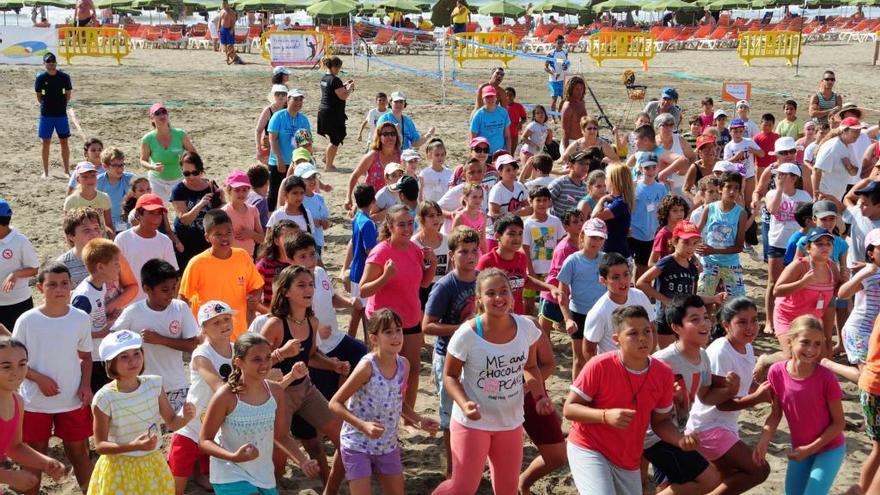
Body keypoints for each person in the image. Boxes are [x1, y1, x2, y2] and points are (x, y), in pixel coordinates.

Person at [432, 268, 551, 494]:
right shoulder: (467, 334)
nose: (498, 298)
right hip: (472, 424)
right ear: (479, 299)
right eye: (491, 293)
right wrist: (465, 403)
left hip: (510, 422)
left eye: (504, 291)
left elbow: (531, 366)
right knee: (462, 488)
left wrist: (539, 396)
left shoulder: (526, 328)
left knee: (507, 490)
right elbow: (450, 375)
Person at [563, 305, 698, 495]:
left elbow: (660, 421)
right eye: (633, 333)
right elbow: (569, 409)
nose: (643, 338)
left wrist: (680, 439)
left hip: (627, 457)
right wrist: (605, 416)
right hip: (589, 447)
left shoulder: (664, 373)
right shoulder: (600, 365)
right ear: (617, 339)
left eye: (647, 331)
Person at [329, 309, 439, 495]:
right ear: (374, 338)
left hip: (387, 444)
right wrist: (362, 425)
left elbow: (398, 402)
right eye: (388, 332)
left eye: (398, 330)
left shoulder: (404, 364)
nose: (396, 336)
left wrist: (419, 420)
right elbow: (335, 403)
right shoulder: (367, 366)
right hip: (357, 444)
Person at [259, 265, 348, 490]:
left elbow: (310, 356)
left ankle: (331, 487)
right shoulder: (275, 324)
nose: (308, 289)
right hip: (279, 392)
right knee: (279, 455)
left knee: (342, 434)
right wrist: (281, 353)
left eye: (310, 284)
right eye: (301, 285)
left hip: (305, 388)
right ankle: (275, 485)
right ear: (286, 291)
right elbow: (253, 363)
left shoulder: (312, 322)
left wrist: (332, 365)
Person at [199, 333, 321, 494]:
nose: (264, 364)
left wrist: (303, 461)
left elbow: (281, 435)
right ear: (238, 362)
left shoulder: (276, 391)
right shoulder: (226, 395)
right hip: (229, 474)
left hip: (264, 476)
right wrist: (233, 456)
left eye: (268, 357)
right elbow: (204, 440)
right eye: (256, 359)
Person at [13, 262, 93, 495]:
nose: (59, 289)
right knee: (36, 454)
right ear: (40, 288)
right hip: (34, 402)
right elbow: (14, 363)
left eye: (64, 284)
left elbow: (86, 357)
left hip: (72, 399)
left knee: (78, 452)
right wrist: (38, 378)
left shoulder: (80, 319)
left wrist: (86, 385)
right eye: (52, 285)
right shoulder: (27, 321)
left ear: (72, 286)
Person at [87, 330, 196, 495]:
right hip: (119, 469)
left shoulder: (154, 384)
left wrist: (185, 417)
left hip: (152, 464)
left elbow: (172, 422)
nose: (133, 361)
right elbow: (100, 446)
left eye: (137, 354)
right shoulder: (104, 397)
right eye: (124, 357)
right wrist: (133, 446)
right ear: (111, 363)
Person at [684, 297, 772, 494]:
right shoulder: (720, 351)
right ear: (726, 325)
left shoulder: (747, 347)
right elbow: (720, 403)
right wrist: (758, 397)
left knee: (726, 478)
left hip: (725, 426)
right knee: (759, 469)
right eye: (742, 322)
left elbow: (745, 388)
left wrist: (768, 388)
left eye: (754, 320)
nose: (750, 327)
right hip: (708, 427)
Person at [643, 296, 729, 494]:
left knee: (668, 485)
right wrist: (669, 397)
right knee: (711, 479)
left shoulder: (703, 356)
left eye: (706, 317)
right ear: (676, 327)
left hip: (677, 431)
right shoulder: (661, 361)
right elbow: (640, 401)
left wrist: (730, 390)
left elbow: (705, 396)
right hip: (654, 436)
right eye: (694, 319)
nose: (704, 323)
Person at [358, 205, 437, 416]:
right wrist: (385, 276)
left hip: (410, 318)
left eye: (410, 223)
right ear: (390, 226)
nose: (407, 228)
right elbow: (363, 290)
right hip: (384, 322)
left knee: (411, 370)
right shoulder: (381, 252)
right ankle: (378, 415)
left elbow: (422, 284)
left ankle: (407, 417)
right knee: (382, 373)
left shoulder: (414, 249)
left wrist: (432, 266)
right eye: (401, 224)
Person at [755, 316, 846, 495]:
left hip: (829, 448)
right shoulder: (776, 372)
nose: (812, 349)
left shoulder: (826, 378)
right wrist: (764, 438)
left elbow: (839, 423)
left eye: (818, 344)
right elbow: (775, 413)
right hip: (800, 449)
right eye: (805, 342)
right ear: (790, 341)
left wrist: (809, 449)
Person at [422, 226, 480, 478]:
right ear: (453, 254)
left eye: (474, 251)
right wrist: (463, 328)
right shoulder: (446, 286)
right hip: (448, 357)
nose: (470, 256)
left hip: (477, 358)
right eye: (464, 251)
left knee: (475, 409)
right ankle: (452, 471)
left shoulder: (483, 279)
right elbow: (428, 326)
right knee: (450, 415)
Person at [112, 259, 199, 412]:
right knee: (150, 434)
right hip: (143, 388)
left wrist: (161, 340)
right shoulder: (133, 312)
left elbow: (193, 344)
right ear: (147, 289)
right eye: (165, 290)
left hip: (176, 385)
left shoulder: (180, 308)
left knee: (180, 431)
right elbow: (113, 340)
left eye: (174, 287)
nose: (171, 294)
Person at [168, 300, 234, 494]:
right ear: (204, 328)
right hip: (190, 425)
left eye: (227, 318)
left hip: (214, 426)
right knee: (176, 486)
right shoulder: (201, 354)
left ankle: (199, 476)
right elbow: (219, 387)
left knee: (210, 471)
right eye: (216, 322)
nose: (224, 324)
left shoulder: (236, 347)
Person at [179, 209, 264, 340]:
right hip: (209, 338)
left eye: (228, 232)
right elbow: (183, 300)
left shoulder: (242, 256)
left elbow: (257, 286)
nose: (224, 237)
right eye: (218, 234)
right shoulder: (197, 263)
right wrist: (191, 332)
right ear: (207, 237)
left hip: (238, 334)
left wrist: (255, 298)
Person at [0, 337, 67, 493]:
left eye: (22, 364)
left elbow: (14, 447)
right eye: (6, 366)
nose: (16, 373)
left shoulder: (17, 401)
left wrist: (46, 462)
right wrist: (8, 477)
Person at [758, 160, 811, 336]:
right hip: (777, 242)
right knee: (773, 282)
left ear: (794, 178)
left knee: (796, 282)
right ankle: (769, 320)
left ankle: (793, 318)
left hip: (798, 245)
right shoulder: (772, 193)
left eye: (783, 175)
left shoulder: (804, 196)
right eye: (778, 174)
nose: (778, 177)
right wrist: (780, 188)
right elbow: (772, 209)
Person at [557, 218, 607, 381]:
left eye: (600, 238)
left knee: (601, 357)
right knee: (579, 359)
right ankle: (577, 394)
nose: (596, 241)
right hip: (579, 314)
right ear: (582, 236)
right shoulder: (572, 261)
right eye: (592, 237)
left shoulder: (607, 260)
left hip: (602, 314)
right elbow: (561, 293)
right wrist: (568, 320)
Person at [582, 252, 653, 364]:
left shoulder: (640, 296)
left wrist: (648, 360)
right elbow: (588, 351)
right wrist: (606, 373)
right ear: (603, 280)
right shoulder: (599, 312)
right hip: (615, 371)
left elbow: (652, 328)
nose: (623, 281)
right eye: (615, 277)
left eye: (626, 274)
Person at [70, 238, 121, 393]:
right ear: (100, 267)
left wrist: (108, 317)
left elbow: (92, 317)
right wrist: (102, 332)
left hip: (100, 355)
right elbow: (74, 333)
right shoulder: (84, 296)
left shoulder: (100, 286)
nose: (119, 267)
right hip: (91, 360)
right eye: (116, 263)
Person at [114, 193, 179, 301]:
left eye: (159, 213)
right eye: (151, 213)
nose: (156, 218)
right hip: (128, 304)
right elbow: (115, 274)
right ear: (138, 214)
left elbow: (171, 276)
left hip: (156, 305)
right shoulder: (122, 239)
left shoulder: (165, 241)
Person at [697, 171, 750, 298]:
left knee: (736, 303)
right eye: (728, 187)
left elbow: (739, 247)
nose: (732, 192)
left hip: (730, 263)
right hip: (708, 263)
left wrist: (712, 250)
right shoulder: (709, 208)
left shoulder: (741, 214)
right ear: (720, 189)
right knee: (705, 300)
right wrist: (696, 248)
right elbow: (695, 232)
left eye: (736, 188)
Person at [171, 151, 225, 270]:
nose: (191, 177)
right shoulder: (178, 190)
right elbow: (184, 220)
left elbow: (219, 213)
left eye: (194, 173)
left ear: (201, 171)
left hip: (206, 240)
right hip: (187, 242)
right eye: (186, 173)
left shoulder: (210, 186)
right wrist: (200, 205)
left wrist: (224, 201)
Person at [139, 103, 196, 203]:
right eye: (157, 113)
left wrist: (186, 161)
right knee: (158, 209)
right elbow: (143, 160)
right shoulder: (148, 139)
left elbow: (193, 153)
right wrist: (153, 167)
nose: (162, 115)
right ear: (151, 118)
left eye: (164, 112)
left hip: (179, 179)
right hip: (157, 181)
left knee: (183, 208)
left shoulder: (180, 134)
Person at [522, 186, 564, 314]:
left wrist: (558, 267)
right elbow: (525, 249)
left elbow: (560, 246)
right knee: (529, 302)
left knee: (549, 301)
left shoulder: (555, 221)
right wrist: (530, 270)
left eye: (545, 200)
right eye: (538, 200)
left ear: (549, 202)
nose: (541, 203)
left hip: (551, 270)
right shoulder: (527, 224)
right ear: (531, 201)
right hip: (534, 270)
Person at [267, 88, 310, 210]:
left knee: (296, 192)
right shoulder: (278, 117)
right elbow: (273, 140)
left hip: (296, 162)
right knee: (275, 193)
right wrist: (279, 159)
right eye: (295, 99)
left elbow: (306, 143)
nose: (298, 102)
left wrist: (304, 161)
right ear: (288, 100)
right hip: (278, 162)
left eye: (301, 99)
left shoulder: (303, 120)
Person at [344, 184, 378, 337]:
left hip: (356, 270)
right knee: (365, 311)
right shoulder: (368, 223)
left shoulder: (357, 218)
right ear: (373, 200)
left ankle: (351, 338)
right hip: (364, 273)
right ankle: (367, 343)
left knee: (357, 310)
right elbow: (370, 251)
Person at [0, 199, 39, 332]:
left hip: (18, 303)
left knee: (19, 344)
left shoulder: (20, 241)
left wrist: (15, 275)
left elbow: (34, 269)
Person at [346, 122, 403, 211]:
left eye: (393, 133)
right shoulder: (372, 156)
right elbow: (355, 175)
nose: (390, 137)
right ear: (379, 137)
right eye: (386, 134)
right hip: (370, 203)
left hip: (393, 203)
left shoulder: (402, 157)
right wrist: (348, 197)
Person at [34, 54, 72, 178]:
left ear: (56, 63)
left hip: (61, 114)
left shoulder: (64, 77)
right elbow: (39, 97)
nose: (51, 64)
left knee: (64, 142)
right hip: (46, 115)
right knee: (45, 142)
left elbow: (68, 94)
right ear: (44, 63)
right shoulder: (40, 78)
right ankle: (45, 171)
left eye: (53, 61)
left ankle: (66, 171)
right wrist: (47, 105)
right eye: (48, 62)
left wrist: (61, 105)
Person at [318, 56, 354, 172]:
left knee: (338, 136)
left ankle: (326, 158)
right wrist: (350, 89)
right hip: (332, 112)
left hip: (324, 111)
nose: (339, 70)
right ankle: (328, 165)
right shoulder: (334, 79)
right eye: (338, 68)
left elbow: (333, 89)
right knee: (335, 139)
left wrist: (344, 85)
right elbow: (343, 96)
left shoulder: (324, 78)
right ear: (335, 67)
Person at [592, 163, 634, 262]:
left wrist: (602, 199)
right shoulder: (613, 199)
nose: (605, 181)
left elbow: (594, 217)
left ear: (614, 181)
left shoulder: (620, 203)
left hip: (617, 254)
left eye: (607, 177)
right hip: (609, 252)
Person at [813, 117, 862, 204]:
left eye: (859, 131)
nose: (858, 134)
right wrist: (816, 194)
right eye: (855, 131)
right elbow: (816, 170)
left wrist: (849, 166)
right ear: (844, 131)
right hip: (825, 196)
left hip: (837, 197)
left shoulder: (849, 145)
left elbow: (854, 172)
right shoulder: (833, 146)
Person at [64, 161, 114, 238]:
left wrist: (112, 238)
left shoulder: (104, 197)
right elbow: (68, 229)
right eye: (85, 177)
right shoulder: (71, 201)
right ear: (78, 179)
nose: (90, 179)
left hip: (101, 240)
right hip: (81, 242)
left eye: (93, 176)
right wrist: (74, 247)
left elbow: (109, 224)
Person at [221, 170, 263, 255]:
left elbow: (262, 239)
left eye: (244, 190)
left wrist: (251, 234)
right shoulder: (224, 213)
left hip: (248, 259)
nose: (241, 193)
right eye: (237, 190)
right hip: (229, 258)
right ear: (229, 191)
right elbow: (219, 240)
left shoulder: (253, 210)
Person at [96, 148, 134, 233]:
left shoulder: (131, 179)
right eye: (115, 166)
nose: (120, 169)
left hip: (127, 223)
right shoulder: (98, 181)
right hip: (105, 224)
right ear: (105, 166)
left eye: (122, 165)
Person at [648, 194, 689, 266]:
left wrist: (696, 261)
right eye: (675, 211)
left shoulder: (685, 229)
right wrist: (668, 269)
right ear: (666, 212)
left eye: (682, 210)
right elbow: (651, 263)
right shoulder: (662, 234)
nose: (679, 214)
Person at [470, 86, 510, 155]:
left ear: (496, 97)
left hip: (500, 153)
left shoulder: (503, 112)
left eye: (492, 96)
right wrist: (473, 156)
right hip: (483, 154)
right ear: (483, 99)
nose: (490, 99)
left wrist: (509, 153)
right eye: (487, 97)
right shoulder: (478, 115)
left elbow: (507, 136)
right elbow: (473, 138)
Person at [255, 84, 289, 165]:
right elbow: (258, 130)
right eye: (277, 94)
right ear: (273, 96)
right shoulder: (268, 110)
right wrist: (258, 148)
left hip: (284, 145)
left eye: (283, 94)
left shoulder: (288, 110)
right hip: (269, 145)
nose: (280, 96)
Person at [420, 139, 452, 204]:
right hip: (429, 207)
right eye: (437, 155)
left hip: (444, 207)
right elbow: (420, 193)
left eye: (442, 154)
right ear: (430, 155)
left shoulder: (449, 173)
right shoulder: (424, 173)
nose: (440, 157)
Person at [560, 76, 587, 149]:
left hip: (582, 141)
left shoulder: (581, 102)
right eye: (577, 89)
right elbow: (565, 131)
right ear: (571, 90)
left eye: (581, 89)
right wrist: (566, 152)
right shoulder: (568, 106)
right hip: (571, 143)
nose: (580, 92)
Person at [545, 35, 569, 118]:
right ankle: (553, 117)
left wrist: (566, 66)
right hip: (553, 79)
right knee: (554, 99)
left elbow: (566, 63)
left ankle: (559, 113)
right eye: (559, 42)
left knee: (564, 98)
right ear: (555, 42)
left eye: (562, 42)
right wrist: (553, 73)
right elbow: (545, 67)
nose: (561, 44)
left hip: (563, 78)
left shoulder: (565, 51)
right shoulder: (550, 53)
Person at [504, 87, 528, 155]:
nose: (508, 97)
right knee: (503, 153)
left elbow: (524, 118)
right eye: (506, 95)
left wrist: (520, 123)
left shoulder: (518, 106)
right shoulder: (501, 107)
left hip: (514, 133)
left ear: (514, 96)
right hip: (503, 134)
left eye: (510, 95)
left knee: (511, 153)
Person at [218, 0, 237, 65]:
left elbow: (234, 22)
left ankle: (234, 57)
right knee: (225, 45)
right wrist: (218, 28)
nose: (223, 5)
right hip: (223, 29)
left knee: (230, 45)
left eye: (224, 4)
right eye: (222, 4)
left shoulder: (231, 12)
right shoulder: (221, 11)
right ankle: (228, 57)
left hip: (229, 29)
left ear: (227, 4)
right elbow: (220, 20)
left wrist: (232, 29)